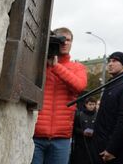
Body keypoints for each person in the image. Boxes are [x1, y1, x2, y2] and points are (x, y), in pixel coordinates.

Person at [32, 27, 88, 164]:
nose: (64, 43)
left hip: (61, 137)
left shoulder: (77, 67)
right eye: (60, 40)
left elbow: (79, 86)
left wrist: (56, 66)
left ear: (72, 43)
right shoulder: (39, 64)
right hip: (35, 135)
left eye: (68, 40)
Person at [93, 52, 123, 163]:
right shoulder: (111, 85)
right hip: (102, 147)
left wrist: (111, 149)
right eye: (109, 61)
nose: (110, 64)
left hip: (115, 152)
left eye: (114, 61)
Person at [70, 97, 98, 164]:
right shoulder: (79, 115)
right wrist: (83, 132)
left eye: (93, 104)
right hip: (81, 144)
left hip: (93, 144)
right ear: (86, 104)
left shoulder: (98, 115)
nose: (92, 106)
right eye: (90, 104)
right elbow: (74, 128)